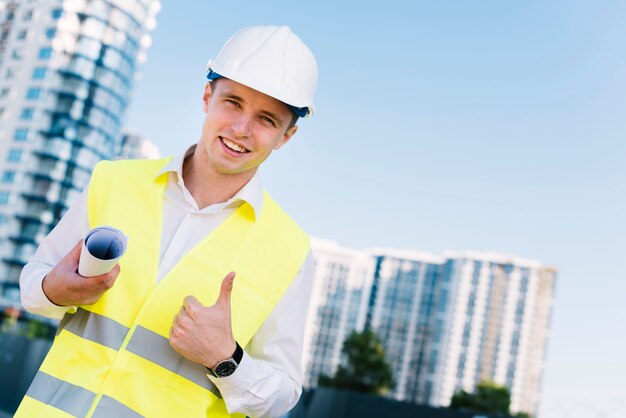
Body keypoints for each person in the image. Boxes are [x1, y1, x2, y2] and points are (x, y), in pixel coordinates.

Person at [16, 25, 318, 418]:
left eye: (265, 119)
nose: (240, 129)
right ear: (207, 96)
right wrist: (53, 289)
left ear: (285, 136)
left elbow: (283, 394)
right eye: (233, 102)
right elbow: (32, 285)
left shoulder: (289, 251)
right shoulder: (114, 181)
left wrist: (226, 360)